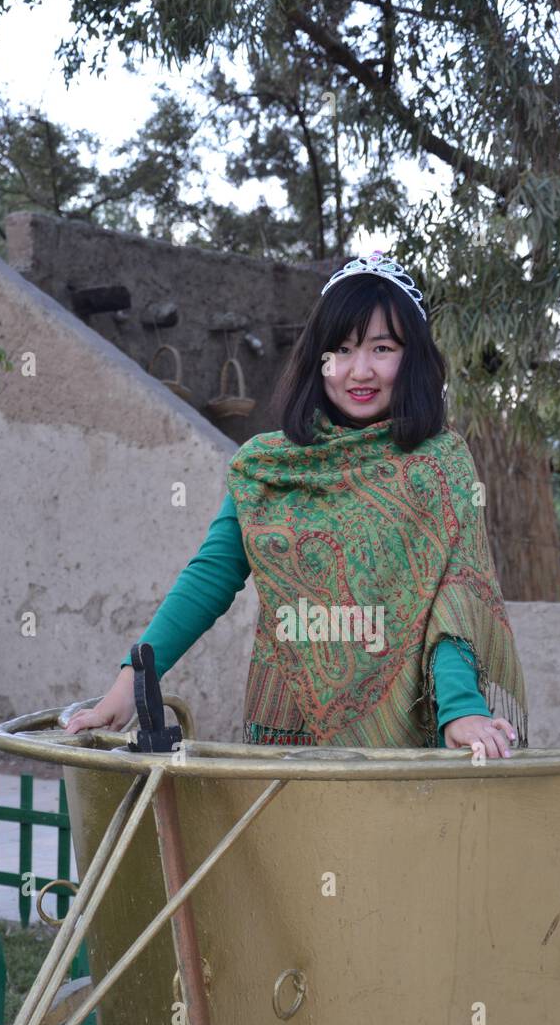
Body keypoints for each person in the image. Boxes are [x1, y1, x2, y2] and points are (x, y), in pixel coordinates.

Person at [65, 250, 528, 759]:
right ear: (318, 360)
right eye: (342, 349)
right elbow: (210, 576)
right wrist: (130, 685)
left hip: (411, 739)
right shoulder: (267, 466)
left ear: (412, 356)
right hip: (290, 732)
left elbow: (456, 598)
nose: (360, 370)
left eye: (382, 348)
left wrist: (461, 708)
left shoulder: (439, 465)